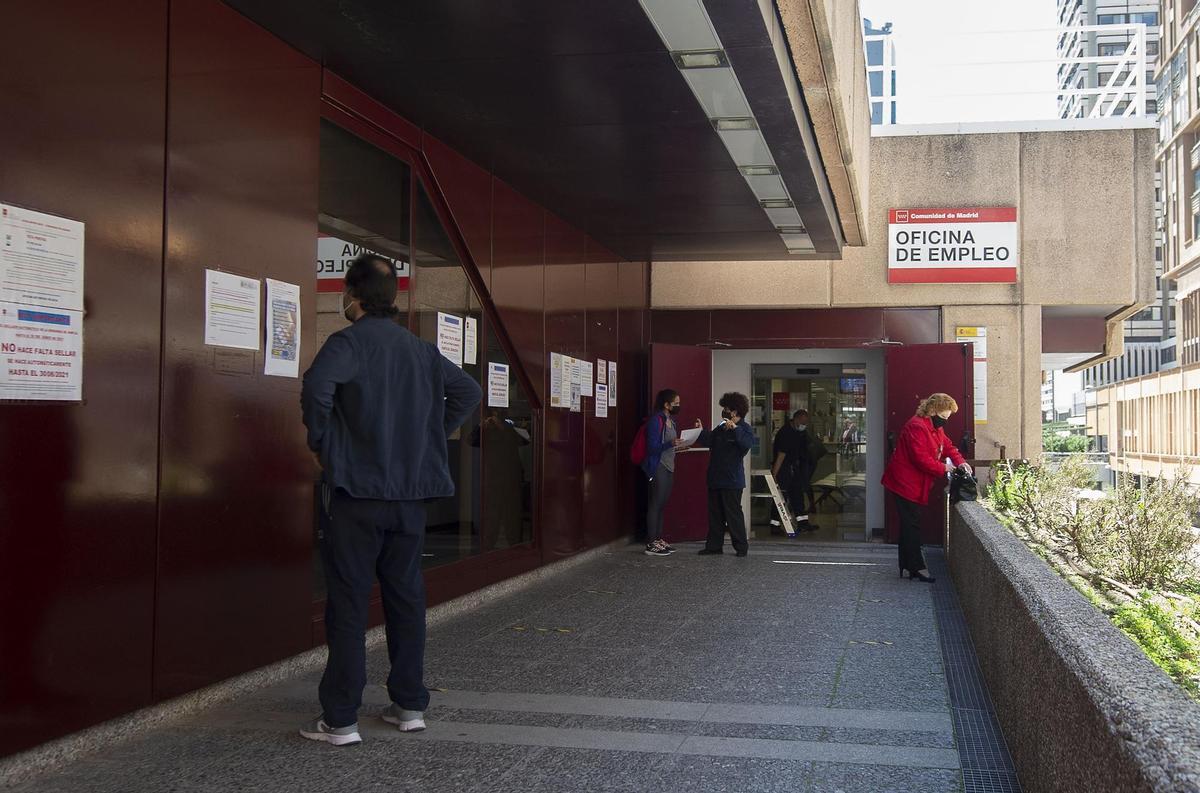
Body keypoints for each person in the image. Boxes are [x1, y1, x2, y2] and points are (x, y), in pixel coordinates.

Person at [300, 253, 482, 746]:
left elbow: (317, 389)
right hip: (410, 498)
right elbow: (468, 391)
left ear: (350, 298)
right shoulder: (420, 351)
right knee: (406, 599)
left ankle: (339, 718)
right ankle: (409, 705)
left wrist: (322, 445)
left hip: (357, 494)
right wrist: (430, 435)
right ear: (393, 299)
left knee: (349, 603)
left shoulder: (348, 343)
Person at [882, 393, 972, 583]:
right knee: (911, 524)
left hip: (911, 483)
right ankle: (916, 567)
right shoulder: (917, 426)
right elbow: (921, 459)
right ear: (933, 411)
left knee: (909, 524)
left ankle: (909, 565)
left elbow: (947, 446)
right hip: (904, 483)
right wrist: (945, 467)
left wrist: (960, 462)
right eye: (944, 417)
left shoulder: (932, 426)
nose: (945, 421)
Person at [696, 392, 755, 557]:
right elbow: (709, 440)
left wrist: (735, 429)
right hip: (715, 478)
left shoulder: (744, 428)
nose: (724, 411)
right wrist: (701, 431)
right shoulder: (721, 427)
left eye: (726, 409)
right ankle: (714, 546)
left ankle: (741, 547)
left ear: (735, 411)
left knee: (733, 515)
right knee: (715, 515)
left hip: (732, 480)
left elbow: (746, 444)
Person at [640, 388, 691, 557]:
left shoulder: (671, 420)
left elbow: (670, 443)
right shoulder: (657, 420)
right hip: (658, 465)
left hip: (669, 465)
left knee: (662, 504)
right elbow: (652, 447)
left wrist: (679, 445)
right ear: (666, 404)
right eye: (675, 403)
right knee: (655, 503)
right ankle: (651, 542)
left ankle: (658, 538)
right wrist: (671, 443)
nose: (678, 405)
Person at [771, 409, 820, 531]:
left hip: (794, 468)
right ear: (796, 419)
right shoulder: (785, 433)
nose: (804, 425)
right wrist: (774, 474)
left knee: (797, 495)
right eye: (803, 422)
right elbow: (781, 455)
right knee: (781, 496)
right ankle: (775, 525)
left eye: (806, 423)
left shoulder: (799, 432)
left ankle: (802, 523)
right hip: (784, 469)